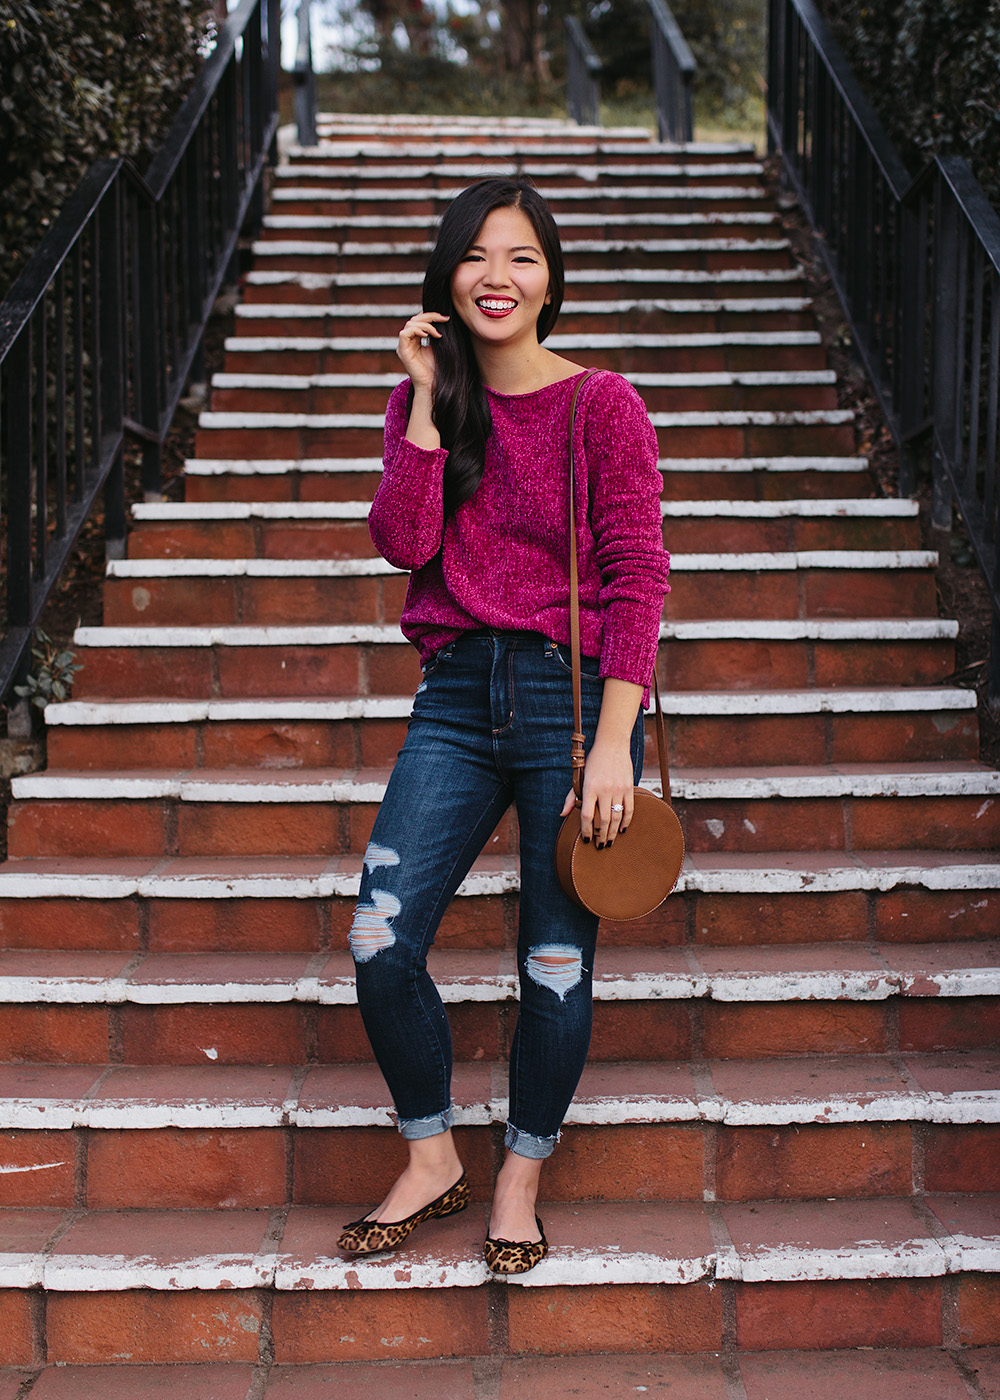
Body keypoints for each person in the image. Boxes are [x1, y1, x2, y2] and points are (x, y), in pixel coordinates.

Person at [336, 176, 671, 1274]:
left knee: (556, 960)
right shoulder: (425, 400)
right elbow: (401, 537)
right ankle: (432, 1155)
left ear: (550, 279)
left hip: (566, 703)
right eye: (477, 255)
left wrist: (614, 739)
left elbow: (636, 576)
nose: (497, 276)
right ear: (446, 276)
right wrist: (427, 401)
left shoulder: (601, 405)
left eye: (521, 256)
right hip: (455, 695)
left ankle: (520, 1173)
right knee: (380, 936)